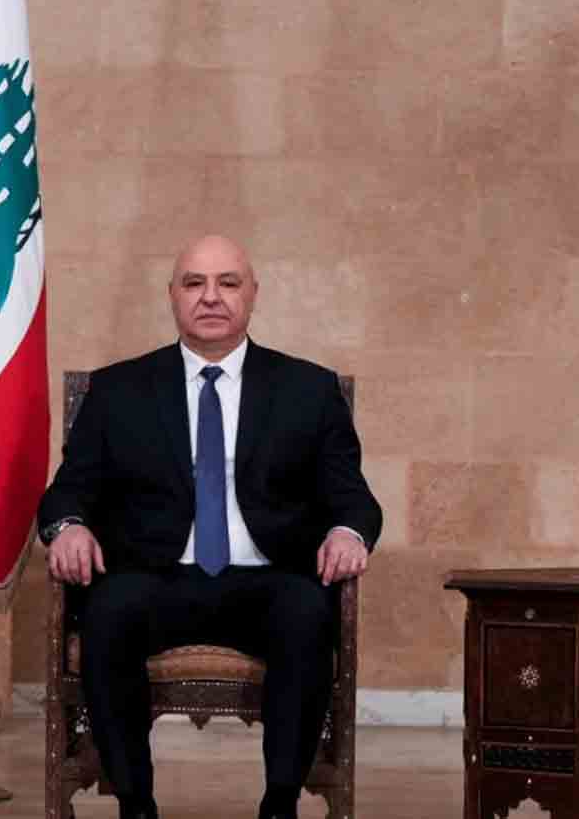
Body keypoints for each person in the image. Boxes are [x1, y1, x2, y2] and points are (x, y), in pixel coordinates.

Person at [37, 235, 382, 819]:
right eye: (194, 283)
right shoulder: (118, 390)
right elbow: (69, 491)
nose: (211, 297)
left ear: (253, 294)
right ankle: (135, 803)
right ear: (172, 296)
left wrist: (348, 533)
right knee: (108, 612)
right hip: (154, 576)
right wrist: (68, 526)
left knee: (306, 614)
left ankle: (280, 802)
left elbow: (353, 498)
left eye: (228, 282)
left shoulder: (309, 390)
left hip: (268, 579)